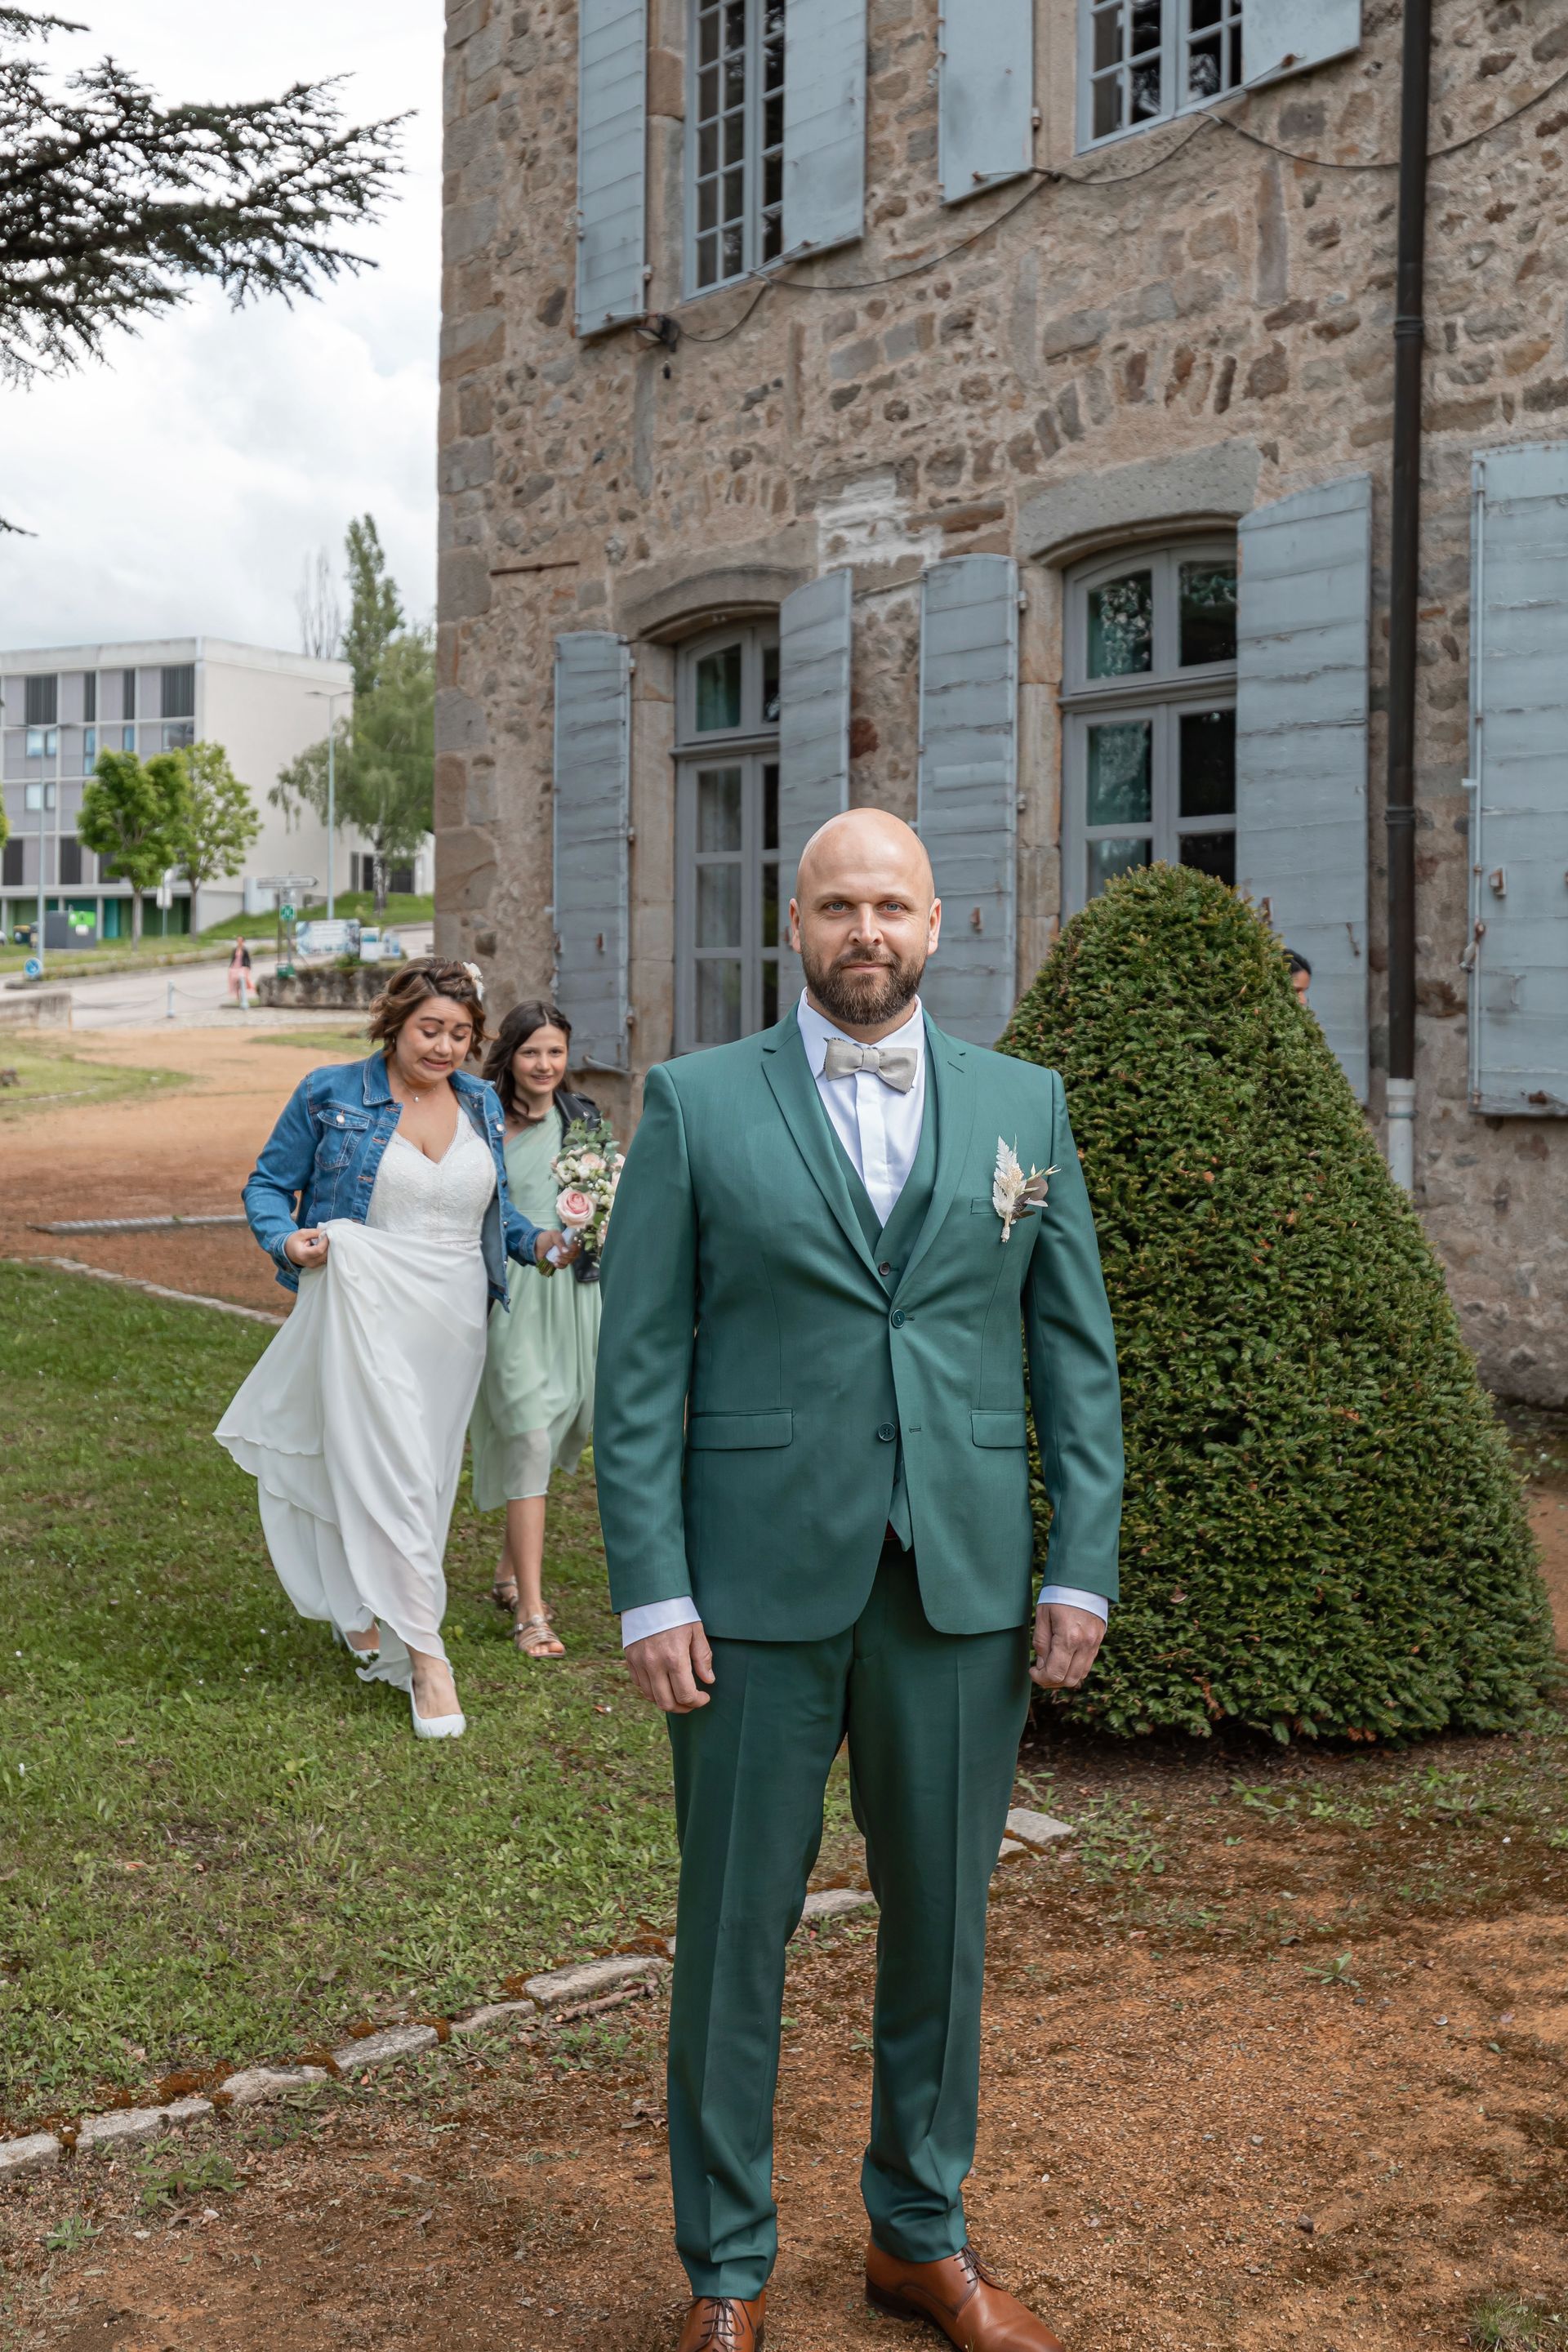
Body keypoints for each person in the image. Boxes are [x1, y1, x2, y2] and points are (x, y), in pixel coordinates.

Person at [595, 808, 1124, 2352]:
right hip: (749, 1590)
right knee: (733, 1930)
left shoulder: (1027, 1105)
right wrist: (652, 1588)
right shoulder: (695, 1103)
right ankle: (726, 2268)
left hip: (959, 1585)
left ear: (938, 925)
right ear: (795, 923)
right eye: (839, 906)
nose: (867, 931)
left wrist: (1081, 1564)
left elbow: (1074, 1359)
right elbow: (641, 1368)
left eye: (893, 905)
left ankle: (920, 2236)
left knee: (942, 1927)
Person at [216, 957, 574, 1740]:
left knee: (427, 1477)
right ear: (394, 1024)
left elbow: (497, 1214)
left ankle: (365, 1601)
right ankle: (426, 1656)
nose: (444, 1047)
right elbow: (268, 1185)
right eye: (429, 1030)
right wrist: (287, 1240)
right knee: (397, 1468)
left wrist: (544, 1244)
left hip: (455, 1318)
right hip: (365, 1301)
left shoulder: (480, 1101)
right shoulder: (330, 1092)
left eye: (460, 1034)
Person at [469, 999, 604, 1659]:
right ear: (510, 1056)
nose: (545, 1064)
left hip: (575, 1292)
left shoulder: (584, 1119)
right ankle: (530, 1611)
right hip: (512, 1291)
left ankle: (505, 1573)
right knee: (526, 1429)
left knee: (563, 1420)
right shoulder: (483, 1121)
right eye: (531, 1052)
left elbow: (602, 1199)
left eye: (555, 1051)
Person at [226, 937, 253, 1003]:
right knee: (235, 981)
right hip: (235, 967)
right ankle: (238, 995)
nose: (239, 942)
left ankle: (242, 994)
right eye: (238, 940)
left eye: (240, 940)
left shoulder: (245, 950)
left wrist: (248, 967)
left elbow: (248, 959)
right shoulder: (235, 949)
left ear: (243, 941)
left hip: (242, 967)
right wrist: (230, 966)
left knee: (241, 980)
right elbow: (233, 959)